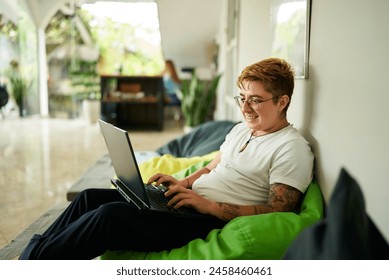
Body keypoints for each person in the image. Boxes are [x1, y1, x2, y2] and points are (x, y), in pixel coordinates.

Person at [19, 58, 314, 260]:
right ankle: (36, 255)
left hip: (202, 220)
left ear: (282, 101)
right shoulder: (241, 130)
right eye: (242, 97)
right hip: (185, 202)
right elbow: (213, 166)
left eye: (255, 99)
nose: (245, 107)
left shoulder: (292, 148)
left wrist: (210, 206)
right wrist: (182, 183)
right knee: (88, 198)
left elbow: (280, 211)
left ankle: (32, 263)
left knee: (110, 217)